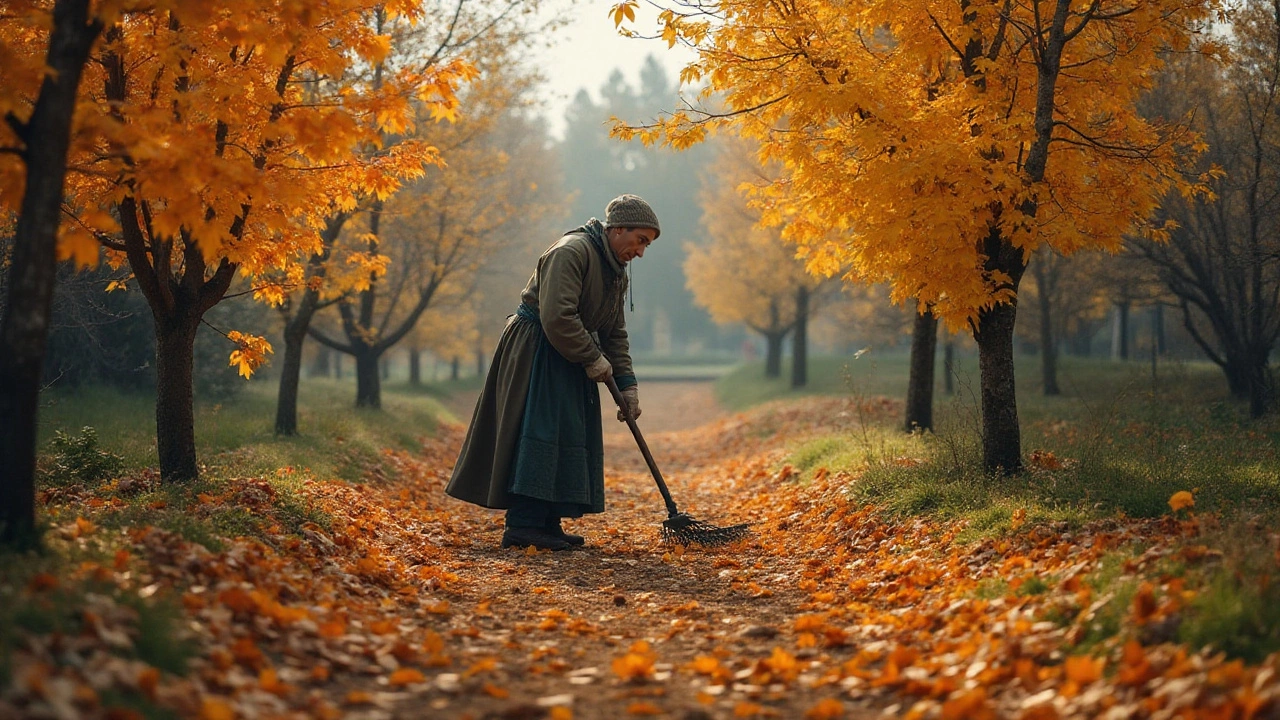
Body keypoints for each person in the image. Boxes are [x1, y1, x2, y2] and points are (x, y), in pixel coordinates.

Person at [445, 195, 660, 550]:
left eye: (646, 245)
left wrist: (628, 384)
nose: (640, 252)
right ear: (618, 229)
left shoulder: (615, 271)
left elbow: (614, 332)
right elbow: (557, 317)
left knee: (566, 430)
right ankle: (524, 525)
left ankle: (547, 523)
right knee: (539, 429)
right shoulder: (571, 251)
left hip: (569, 352)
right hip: (538, 349)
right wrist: (591, 357)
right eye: (640, 241)